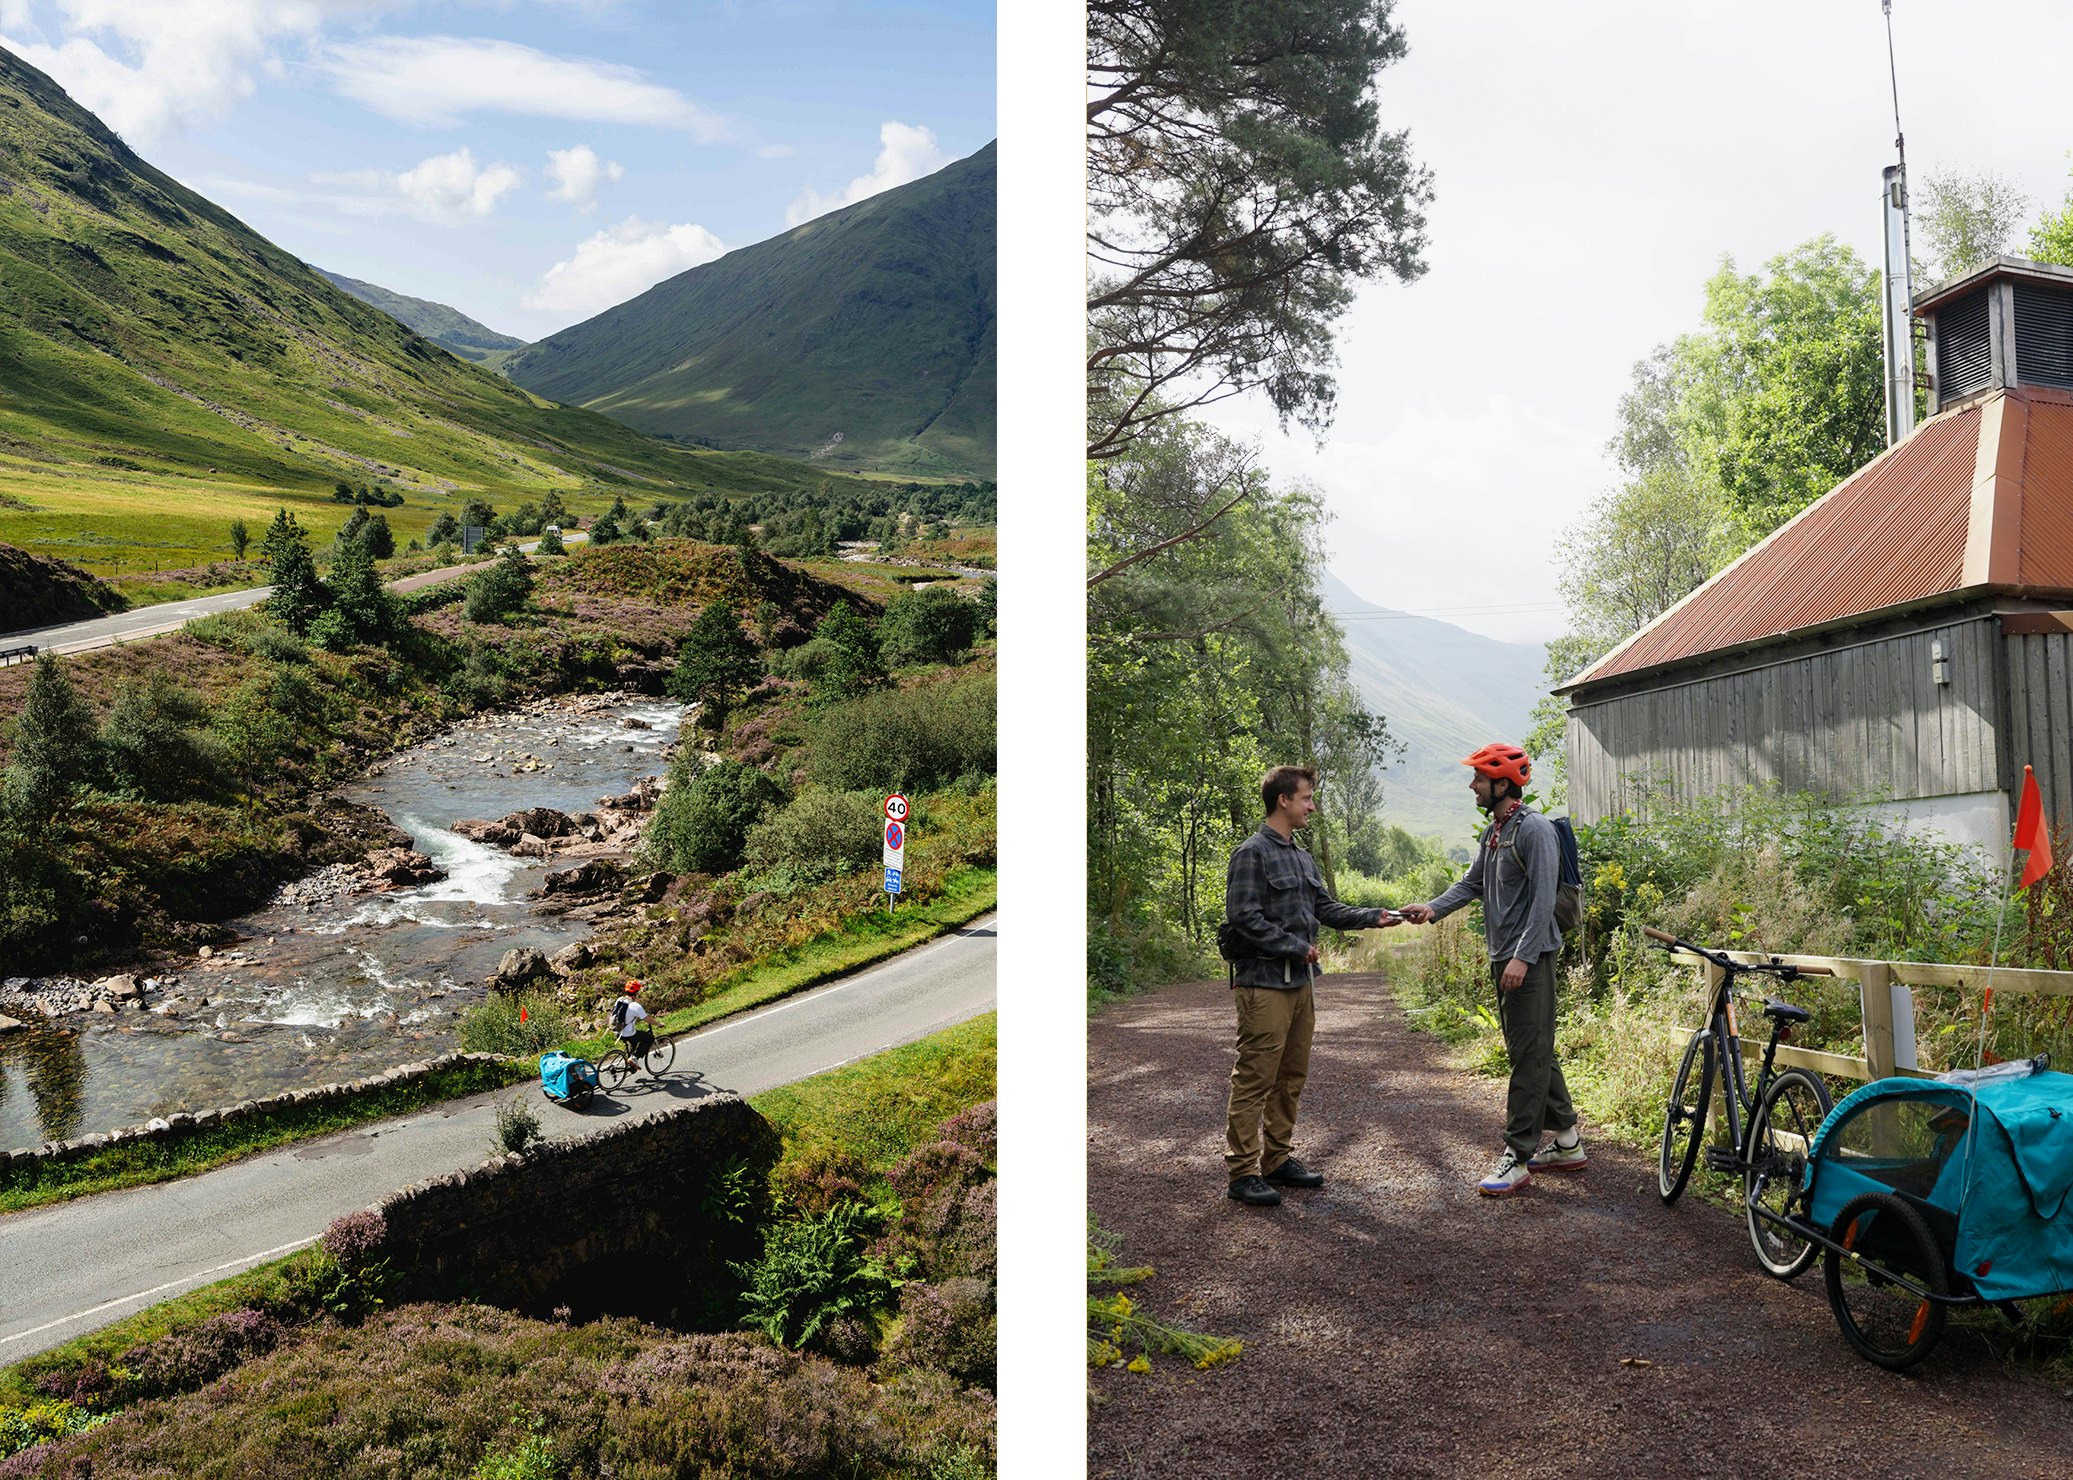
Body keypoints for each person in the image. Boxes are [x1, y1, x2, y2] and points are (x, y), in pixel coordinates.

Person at [1399, 743, 1584, 1196]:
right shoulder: (1496, 832)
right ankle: (1566, 1142)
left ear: (1502, 783)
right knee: (1534, 1046)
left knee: (1528, 1053)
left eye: (1478, 779)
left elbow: (1543, 901)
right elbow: (1471, 883)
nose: (1472, 786)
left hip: (1531, 957)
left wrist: (1523, 956)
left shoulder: (1534, 830)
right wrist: (1432, 908)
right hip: (1507, 955)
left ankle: (1518, 1156)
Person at [1222, 764, 1400, 1207]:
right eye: (1306, 798)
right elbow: (1243, 916)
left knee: (1291, 1076)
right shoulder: (1251, 853)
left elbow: (1325, 907)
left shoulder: (1301, 856)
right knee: (1255, 1079)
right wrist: (1293, 946)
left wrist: (1372, 916)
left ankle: (1276, 1161)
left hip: (1301, 984)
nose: (1312, 806)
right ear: (1283, 799)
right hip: (1263, 984)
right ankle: (1243, 1172)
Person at [609, 979, 653, 1061]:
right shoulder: (635, 1005)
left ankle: (629, 1059)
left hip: (617, 1031)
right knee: (649, 1038)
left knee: (634, 1040)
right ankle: (634, 1058)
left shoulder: (620, 1000)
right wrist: (659, 1024)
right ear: (636, 993)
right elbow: (647, 1019)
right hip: (628, 1034)